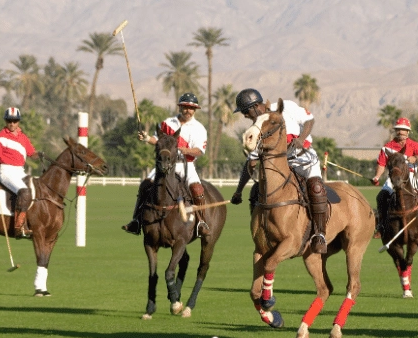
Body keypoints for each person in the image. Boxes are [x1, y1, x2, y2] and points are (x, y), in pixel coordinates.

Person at [229, 88, 328, 254]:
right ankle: (262, 231)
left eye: (245, 112)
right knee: (256, 192)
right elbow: (251, 162)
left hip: (304, 160)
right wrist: (238, 192)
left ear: (255, 107)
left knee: (316, 187)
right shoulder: (257, 128)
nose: (245, 116)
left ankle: (319, 234)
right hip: (280, 168)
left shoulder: (286, 107)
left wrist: (301, 139)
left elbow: (309, 120)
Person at [123, 93, 210, 236]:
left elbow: (199, 151)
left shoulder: (199, 128)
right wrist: (146, 138)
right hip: (165, 163)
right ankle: (136, 221)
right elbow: (157, 140)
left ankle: (201, 222)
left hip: (185, 164)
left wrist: (184, 150)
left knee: (197, 189)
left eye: (191, 108)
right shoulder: (167, 123)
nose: (188, 110)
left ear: (195, 110)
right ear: (180, 107)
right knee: (145, 184)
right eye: (185, 107)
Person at [371, 117, 418, 238]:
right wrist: (377, 176)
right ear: (396, 131)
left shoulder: (413, 145)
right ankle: (381, 226)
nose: (401, 132)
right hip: (393, 177)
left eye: (404, 130)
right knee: (381, 197)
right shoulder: (387, 147)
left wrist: (415, 158)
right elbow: (381, 164)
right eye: (399, 129)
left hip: (410, 177)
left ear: (408, 132)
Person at [0, 107, 39, 238]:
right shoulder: (1, 137)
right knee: (24, 191)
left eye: (15, 121)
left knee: (36, 189)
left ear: (18, 121)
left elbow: (31, 153)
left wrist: (40, 155)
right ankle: (19, 227)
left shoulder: (23, 137)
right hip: (6, 171)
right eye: (9, 121)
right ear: (6, 121)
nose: (12, 124)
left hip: (20, 171)